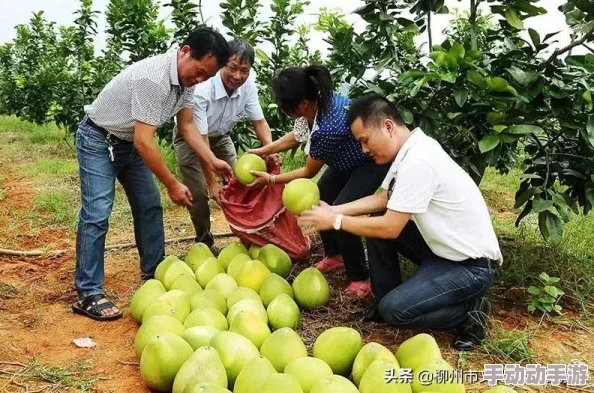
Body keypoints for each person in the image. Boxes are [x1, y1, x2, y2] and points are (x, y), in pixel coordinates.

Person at [299, 94, 502, 351]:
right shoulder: (410, 150)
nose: (364, 150)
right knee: (376, 224)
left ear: (387, 126)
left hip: (470, 267)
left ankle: (469, 312)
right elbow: (383, 199)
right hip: (442, 251)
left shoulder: (419, 161)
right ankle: (383, 300)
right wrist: (334, 209)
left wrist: (336, 221)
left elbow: (391, 226)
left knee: (397, 311)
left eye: (365, 140)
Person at [72, 27, 234, 321]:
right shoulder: (153, 78)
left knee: (149, 204)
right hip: (99, 139)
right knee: (97, 212)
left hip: (127, 143)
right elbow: (144, 142)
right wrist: (172, 183)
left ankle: (155, 271)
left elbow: (187, 128)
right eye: (198, 72)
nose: (199, 80)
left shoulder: (187, 84)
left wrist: (212, 161)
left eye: (206, 77)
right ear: (184, 51)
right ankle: (88, 291)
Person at [248, 65, 390, 298]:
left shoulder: (327, 128)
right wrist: (263, 150)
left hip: (370, 160)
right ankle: (335, 256)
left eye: (285, 106)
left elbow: (306, 172)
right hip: (345, 158)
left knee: (340, 211)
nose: (283, 110)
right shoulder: (316, 101)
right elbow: (296, 137)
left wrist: (271, 179)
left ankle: (360, 277)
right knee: (322, 195)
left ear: (302, 103)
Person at [173, 39, 276, 249]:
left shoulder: (248, 85)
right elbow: (201, 141)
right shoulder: (202, 89)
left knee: (243, 183)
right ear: (221, 64)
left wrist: (271, 149)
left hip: (220, 136)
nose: (238, 76)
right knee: (199, 193)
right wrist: (212, 182)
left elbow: (259, 122)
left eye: (244, 70)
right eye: (233, 68)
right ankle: (204, 241)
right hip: (191, 139)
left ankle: (249, 237)